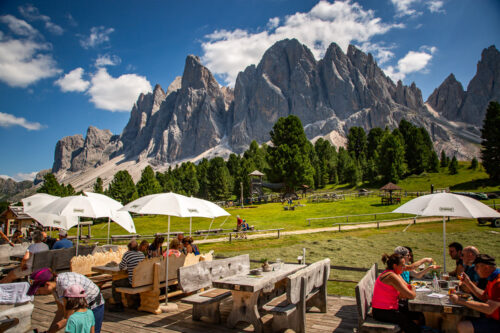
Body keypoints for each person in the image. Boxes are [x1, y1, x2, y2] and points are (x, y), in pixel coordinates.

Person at [27, 268, 104, 333]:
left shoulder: (67, 288)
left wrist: (48, 332)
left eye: (39, 291)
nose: (37, 293)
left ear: (47, 285)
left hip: (94, 303)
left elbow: (68, 318)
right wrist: (50, 331)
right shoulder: (55, 286)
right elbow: (60, 311)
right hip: (81, 304)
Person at [371, 253, 422, 333]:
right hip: (382, 312)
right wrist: (412, 289)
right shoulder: (391, 277)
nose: (404, 267)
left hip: (390, 307)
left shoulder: (395, 273)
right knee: (411, 326)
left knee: (416, 313)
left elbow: (407, 287)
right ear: (395, 266)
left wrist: (410, 289)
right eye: (402, 265)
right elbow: (411, 295)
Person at [450, 254, 500, 332]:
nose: (475, 270)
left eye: (477, 267)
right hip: (492, 318)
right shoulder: (493, 278)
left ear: (486, 267)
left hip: (496, 321)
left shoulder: (498, 282)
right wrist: (468, 283)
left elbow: (489, 309)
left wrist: (460, 301)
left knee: (463, 326)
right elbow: (484, 296)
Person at [110, 240, 145, 312]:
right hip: (142, 281)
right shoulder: (141, 254)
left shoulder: (127, 254)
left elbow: (121, 267)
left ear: (128, 247)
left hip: (133, 282)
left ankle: (118, 304)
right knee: (126, 279)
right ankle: (133, 300)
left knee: (115, 283)